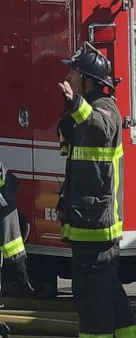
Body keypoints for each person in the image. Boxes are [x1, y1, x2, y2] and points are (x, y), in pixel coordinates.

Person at [57, 43, 135, 336]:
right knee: (109, 290)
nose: (68, 76)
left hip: (96, 225)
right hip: (90, 220)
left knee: (92, 297)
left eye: (73, 72)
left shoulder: (105, 109)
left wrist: (74, 105)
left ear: (89, 80)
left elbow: (101, 127)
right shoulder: (87, 111)